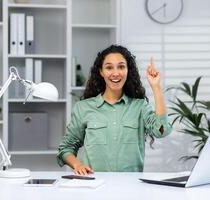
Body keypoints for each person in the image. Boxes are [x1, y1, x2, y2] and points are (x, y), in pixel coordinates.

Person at [57, 45, 172, 175]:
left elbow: (162, 131)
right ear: (101, 71)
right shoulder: (83, 108)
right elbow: (66, 148)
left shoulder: (140, 107)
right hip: (93, 188)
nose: (115, 73)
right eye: (109, 67)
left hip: (130, 188)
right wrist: (78, 165)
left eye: (121, 66)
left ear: (128, 70)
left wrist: (156, 87)